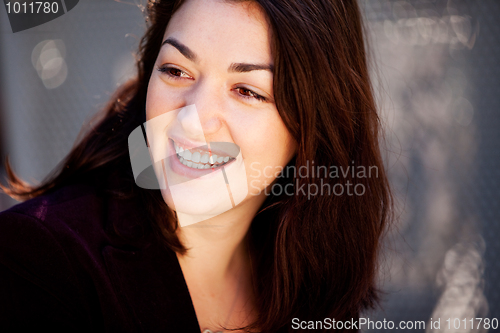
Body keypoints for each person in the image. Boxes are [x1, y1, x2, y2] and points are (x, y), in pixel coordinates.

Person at [0, 0, 393, 332]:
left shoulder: (312, 282)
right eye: (176, 71)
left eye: (247, 91)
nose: (193, 117)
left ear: (315, 125)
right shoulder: (38, 263)